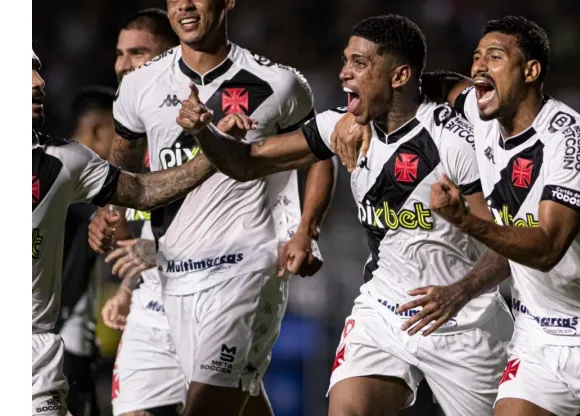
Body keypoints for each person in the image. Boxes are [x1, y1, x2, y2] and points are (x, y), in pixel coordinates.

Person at [175, 14, 513, 416]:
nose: (343, 73)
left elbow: (508, 245)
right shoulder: (341, 125)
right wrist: (204, 132)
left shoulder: (454, 143)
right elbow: (248, 162)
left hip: (463, 320)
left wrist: (458, 293)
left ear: (400, 75)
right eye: (345, 61)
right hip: (384, 312)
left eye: (359, 63)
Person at [333, 15, 580, 416]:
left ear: (530, 70)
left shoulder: (569, 139)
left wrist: (467, 222)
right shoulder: (478, 111)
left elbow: (547, 249)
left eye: (494, 57)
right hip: (537, 338)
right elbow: (423, 86)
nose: (478, 67)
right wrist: (355, 115)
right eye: (476, 57)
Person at [89, 0, 336, 414]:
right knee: (240, 401)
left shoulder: (278, 83)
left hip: (246, 271)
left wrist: (306, 229)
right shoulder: (140, 86)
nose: (184, 4)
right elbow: (124, 168)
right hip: (174, 277)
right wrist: (106, 211)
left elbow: (320, 153)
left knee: (204, 408)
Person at [32, 50, 215, 416]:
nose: (39, 83)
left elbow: (144, 190)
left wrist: (215, 153)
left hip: (33, 357)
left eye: (37, 71)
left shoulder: (64, 161)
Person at [96, 9, 189, 416]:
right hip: (152, 302)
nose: (122, 64)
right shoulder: (136, 128)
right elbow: (151, 234)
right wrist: (127, 288)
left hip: (214, 293)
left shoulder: (200, 117)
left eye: (137, 53)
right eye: (119, 53)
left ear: (172, 53)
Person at [55, 86, 119, 416]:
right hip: (63, 339)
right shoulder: (70, 177)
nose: (127, 142)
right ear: (96, 130)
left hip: (71, 340)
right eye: (120, 131)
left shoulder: (49, 169)